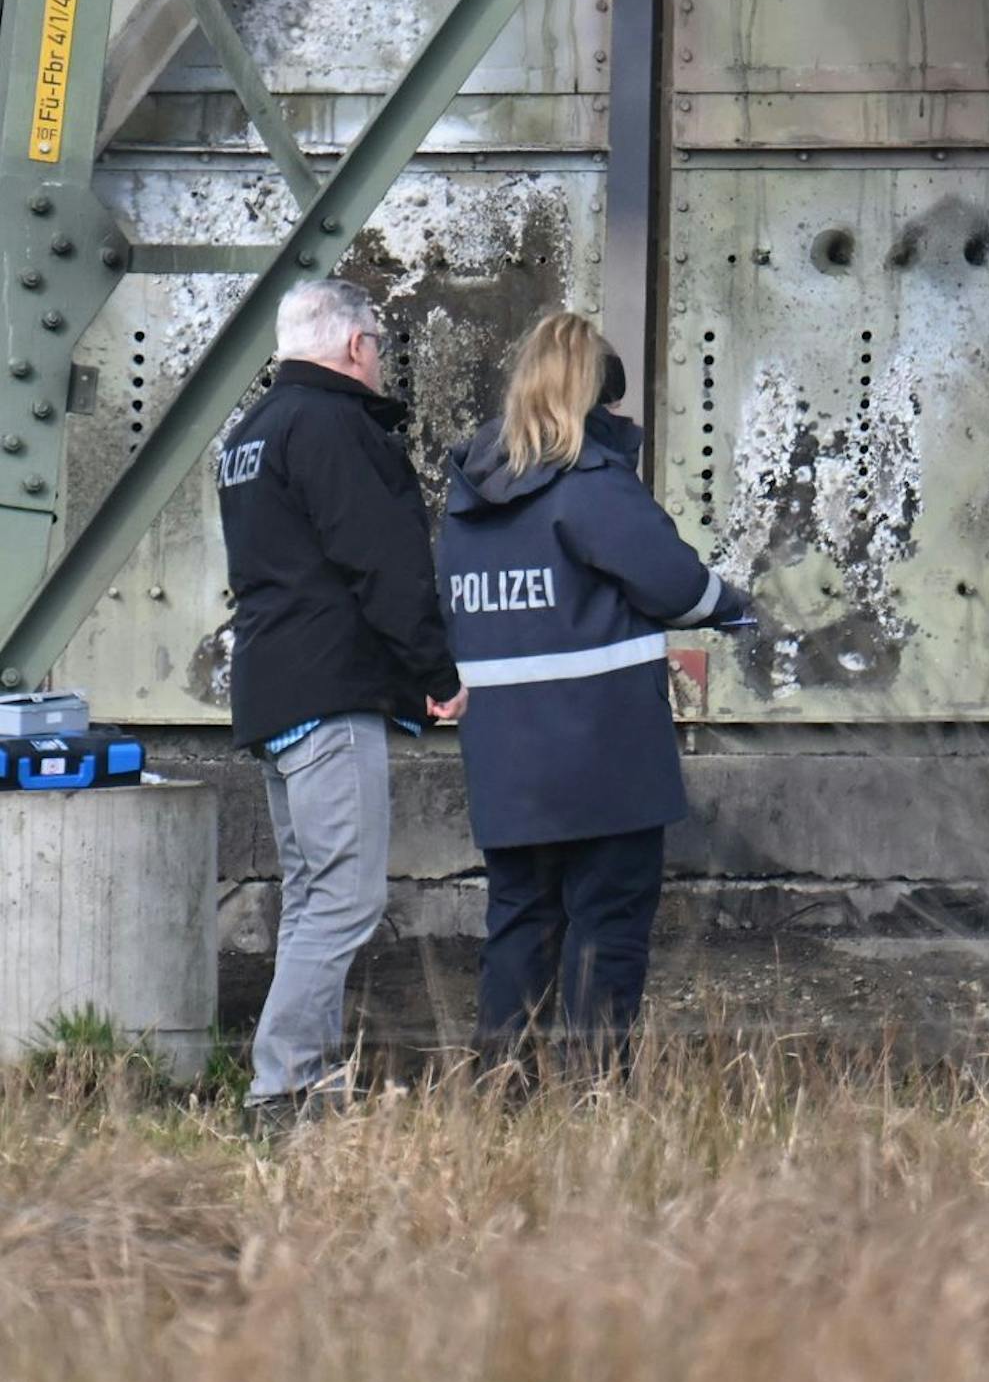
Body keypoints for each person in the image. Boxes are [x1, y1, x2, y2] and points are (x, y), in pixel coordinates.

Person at [435, 311, 752, 1070]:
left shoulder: (468, 500)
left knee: (519, 923)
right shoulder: (591, 485)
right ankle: (590, 1098)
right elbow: (674, 582)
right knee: (606, 927)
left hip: (507, 764)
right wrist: (739, 607)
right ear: (597, 397)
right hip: (605, 759)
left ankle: (498, 1090)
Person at [217, 279, 467, 1134]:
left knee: (313, 893)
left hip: (275, 690)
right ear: (356, 345)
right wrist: (436, 671)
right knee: (344, 898)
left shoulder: (249, 433)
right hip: (328, 693)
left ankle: (301, 1087)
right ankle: (285, 1091)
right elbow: (384, 560)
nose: (382, 364)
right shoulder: (331, 427)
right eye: (381, 347)